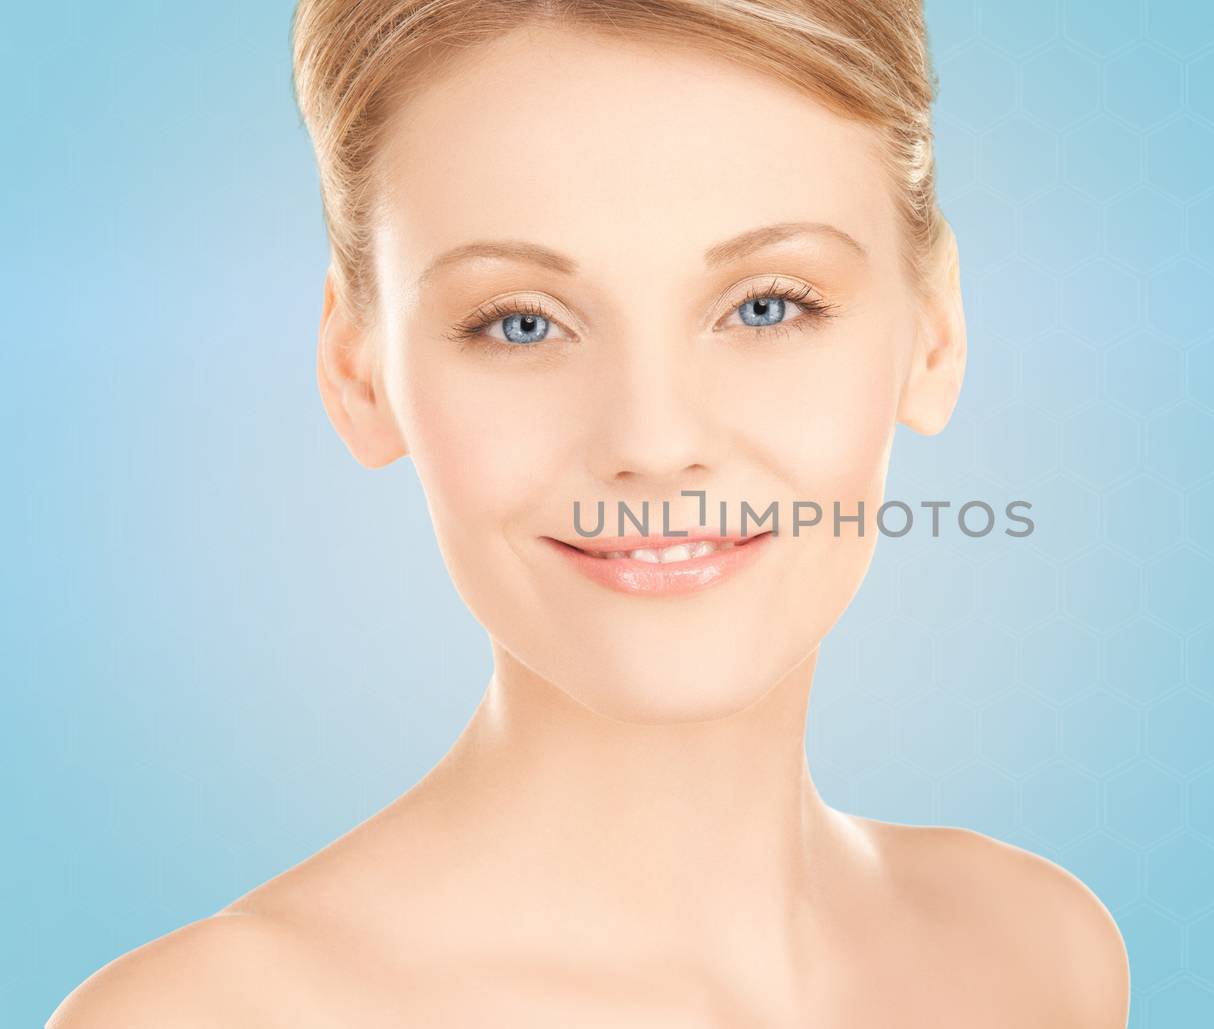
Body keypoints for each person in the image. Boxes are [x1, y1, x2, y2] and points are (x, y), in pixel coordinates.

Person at [50, 1, 1129, 1024]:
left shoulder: (1038, 955)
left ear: (933, 333)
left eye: (766, 306)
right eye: (520, 324)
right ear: (355, 372)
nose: (653, 444)